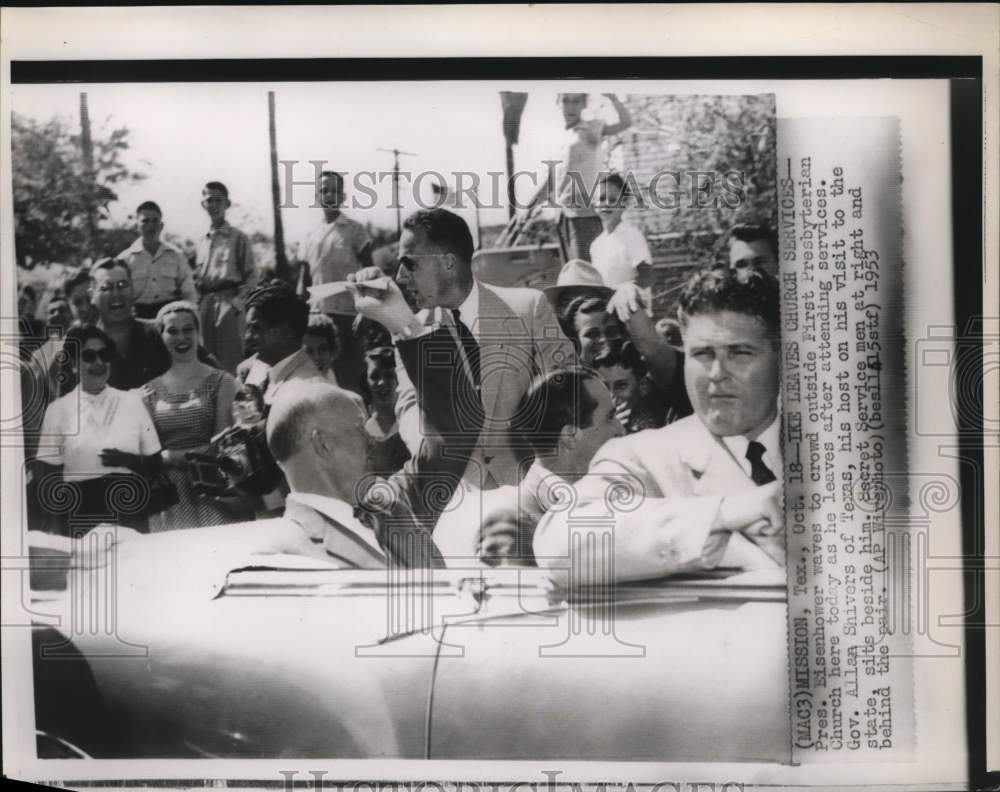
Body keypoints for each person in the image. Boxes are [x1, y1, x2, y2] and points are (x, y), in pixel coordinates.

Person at [533, 264, 785, 584]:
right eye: (702, 354)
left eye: (740, 353)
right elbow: (560, 543)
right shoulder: (639, 455)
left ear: (782, 355)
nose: (716, 372)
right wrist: (720, 517)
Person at [264, 275, 482, 569]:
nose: (371, 439)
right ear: (322, 444)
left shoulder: (390, 503)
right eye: (357, 428)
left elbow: (454, 432)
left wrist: (402, 322)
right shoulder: (282, 555)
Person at [381, 208, 576, 490]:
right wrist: (438, 454)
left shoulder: (529, 309)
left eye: (410, 264)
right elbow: (409, 407)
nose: (400, 277)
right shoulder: (413, 333)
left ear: (448, 263)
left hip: (535, 489)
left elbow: (568, 392)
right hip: (460, 496)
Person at [440, 366, 623, 566]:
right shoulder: (511, 519)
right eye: (610, 418)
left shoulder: (610, 497)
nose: (621, 429)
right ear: (570, 435)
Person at [34, 325, 163, 535]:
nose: (99, 363)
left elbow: (155, 464)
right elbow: (48, 479)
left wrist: (126, 460)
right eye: (89, 356)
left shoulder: (131, 402)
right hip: (81, 513)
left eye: (104, 355)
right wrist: (57, 531)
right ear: (74, 362)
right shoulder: (58, 410)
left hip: (128, 510)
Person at [139, 302, 240, 531]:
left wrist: (169, 456)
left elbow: (220, 447)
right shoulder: (149, 390)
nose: (180, 337)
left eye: (187, 330)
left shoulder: (222, 381)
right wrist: (161, 459)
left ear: (198, 333)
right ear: (161, 335)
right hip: (169, 494)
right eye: (172, 331)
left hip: (211, 487)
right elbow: (148, 454)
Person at [522, 93, 632, 261]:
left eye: (576, 101)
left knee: (587, 272)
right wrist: (529, 207)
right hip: (563, 215)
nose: (571, 106)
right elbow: (552, 180)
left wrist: (613, 99)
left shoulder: (592, 128)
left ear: (583, 104)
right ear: (559, 103)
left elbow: (626, 123)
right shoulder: (558, 138)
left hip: (585, 214)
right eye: (566, 101)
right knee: (573, 273)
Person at [300, 170, 373, 392]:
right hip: (317, 318)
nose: (329, 195)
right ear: (316, 196)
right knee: (317, 381)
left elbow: (371, 275)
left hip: (347, 318)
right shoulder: (310, 234)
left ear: (342, 195)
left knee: (351, 380)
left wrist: (366, 312)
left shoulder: (355, 231)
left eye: (334, 190)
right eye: (324, 190)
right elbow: (303, 283)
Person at [195, 181, 258, 374]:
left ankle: (234, 401)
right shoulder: (202, 240)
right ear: (203, 204)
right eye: (209, 201)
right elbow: (198, 276)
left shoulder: (238, 238)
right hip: (206, 302)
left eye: (218, 201)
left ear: (227, 204)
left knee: (231, 359)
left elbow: (252, 275)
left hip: (229, 301)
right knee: (206, 358)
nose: (213, 205)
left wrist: (237, 303)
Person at [242, 281, 325, 407]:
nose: (247, 337)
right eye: (247, 329)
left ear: (284, 331)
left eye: (255, 328)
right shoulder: (255, 373)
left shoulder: (308, 389)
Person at [118, 200, 198, 319]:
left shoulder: (176, 255)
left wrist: (189, 315)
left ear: (161, 226)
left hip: (171, 316)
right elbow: (120, 295)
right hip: (139, 317)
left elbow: (189, 292)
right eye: (145, 221)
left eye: (155, 221)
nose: (151, 226)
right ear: (137, 226)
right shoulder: (125, 259)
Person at [590, 172, 654, 311]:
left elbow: (647, 276)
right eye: (601, 199)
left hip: (633, 310)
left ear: (624, 204)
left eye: (613, 200)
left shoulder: (630, 235)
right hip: (610, 312)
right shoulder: (596, 245)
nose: (606, 204)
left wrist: (626, 291)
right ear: (594, 204)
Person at [360, 345, 410, 475]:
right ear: (366, 381)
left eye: (389, 375)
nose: (382, 382)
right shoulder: (364, 433)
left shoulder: (411, 422)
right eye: (375, 376)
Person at [592, 340, 663, 434]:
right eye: (604, 387)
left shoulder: (667, 420)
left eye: (621, 386)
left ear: (643, 386)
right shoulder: (592, 429)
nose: (611, 397)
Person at [302, 313, 340, 385]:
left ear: (331, 349)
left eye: (322, 349)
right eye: (310, 351)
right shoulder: (300, 384)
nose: (317, 356)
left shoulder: (330, 375)